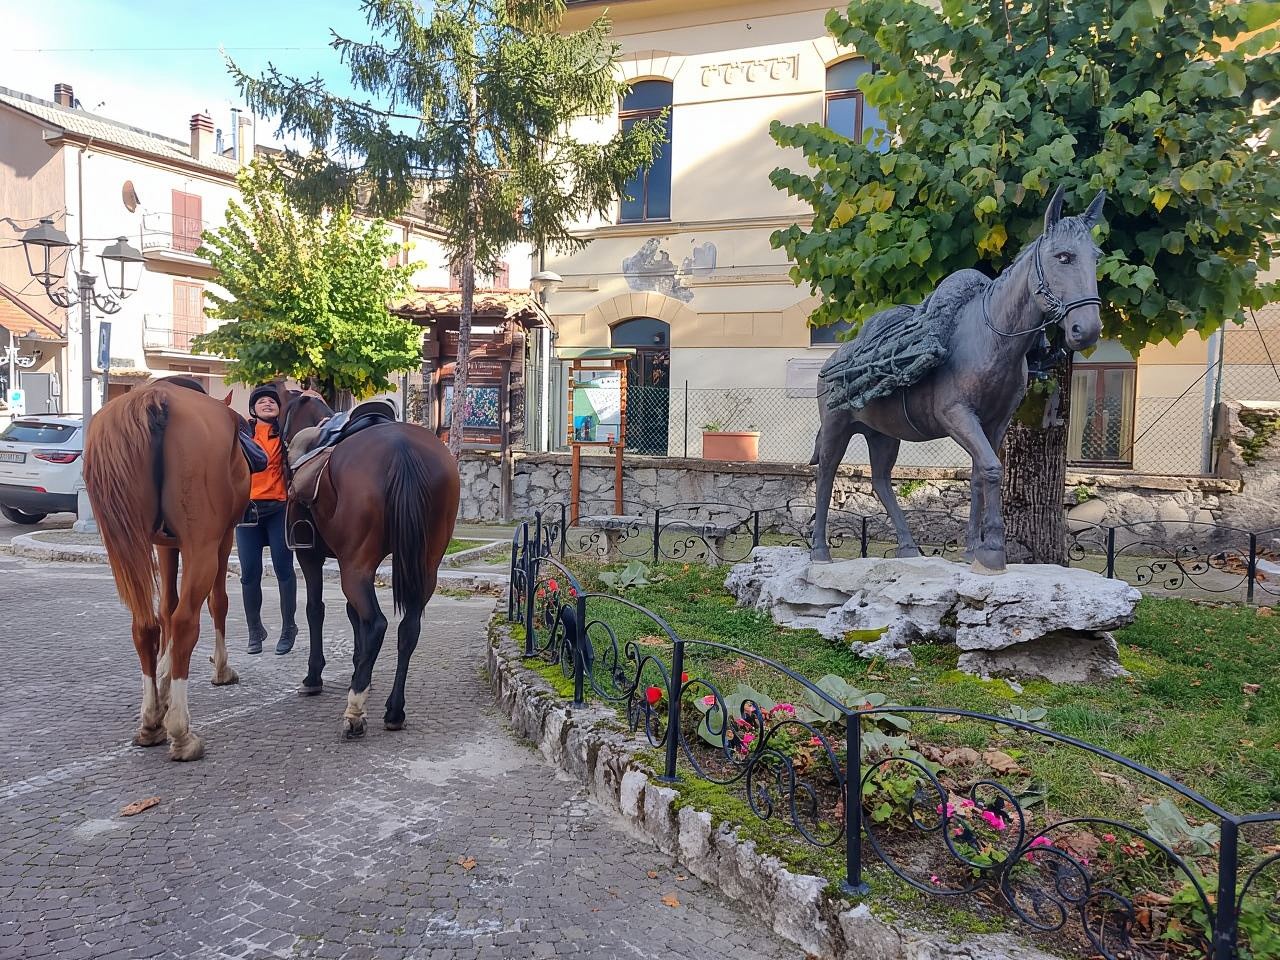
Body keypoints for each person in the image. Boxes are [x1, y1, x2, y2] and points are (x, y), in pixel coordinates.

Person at [237, 384, 297, 655]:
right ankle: (254, 630)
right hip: (247, 510)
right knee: (250, 573)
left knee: (284, 569)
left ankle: (288, 628)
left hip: (279, 508)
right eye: (261, 401)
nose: (267, 404)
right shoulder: (241, 435)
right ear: (253, 409)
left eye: (272, 401)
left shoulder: (286, 435)